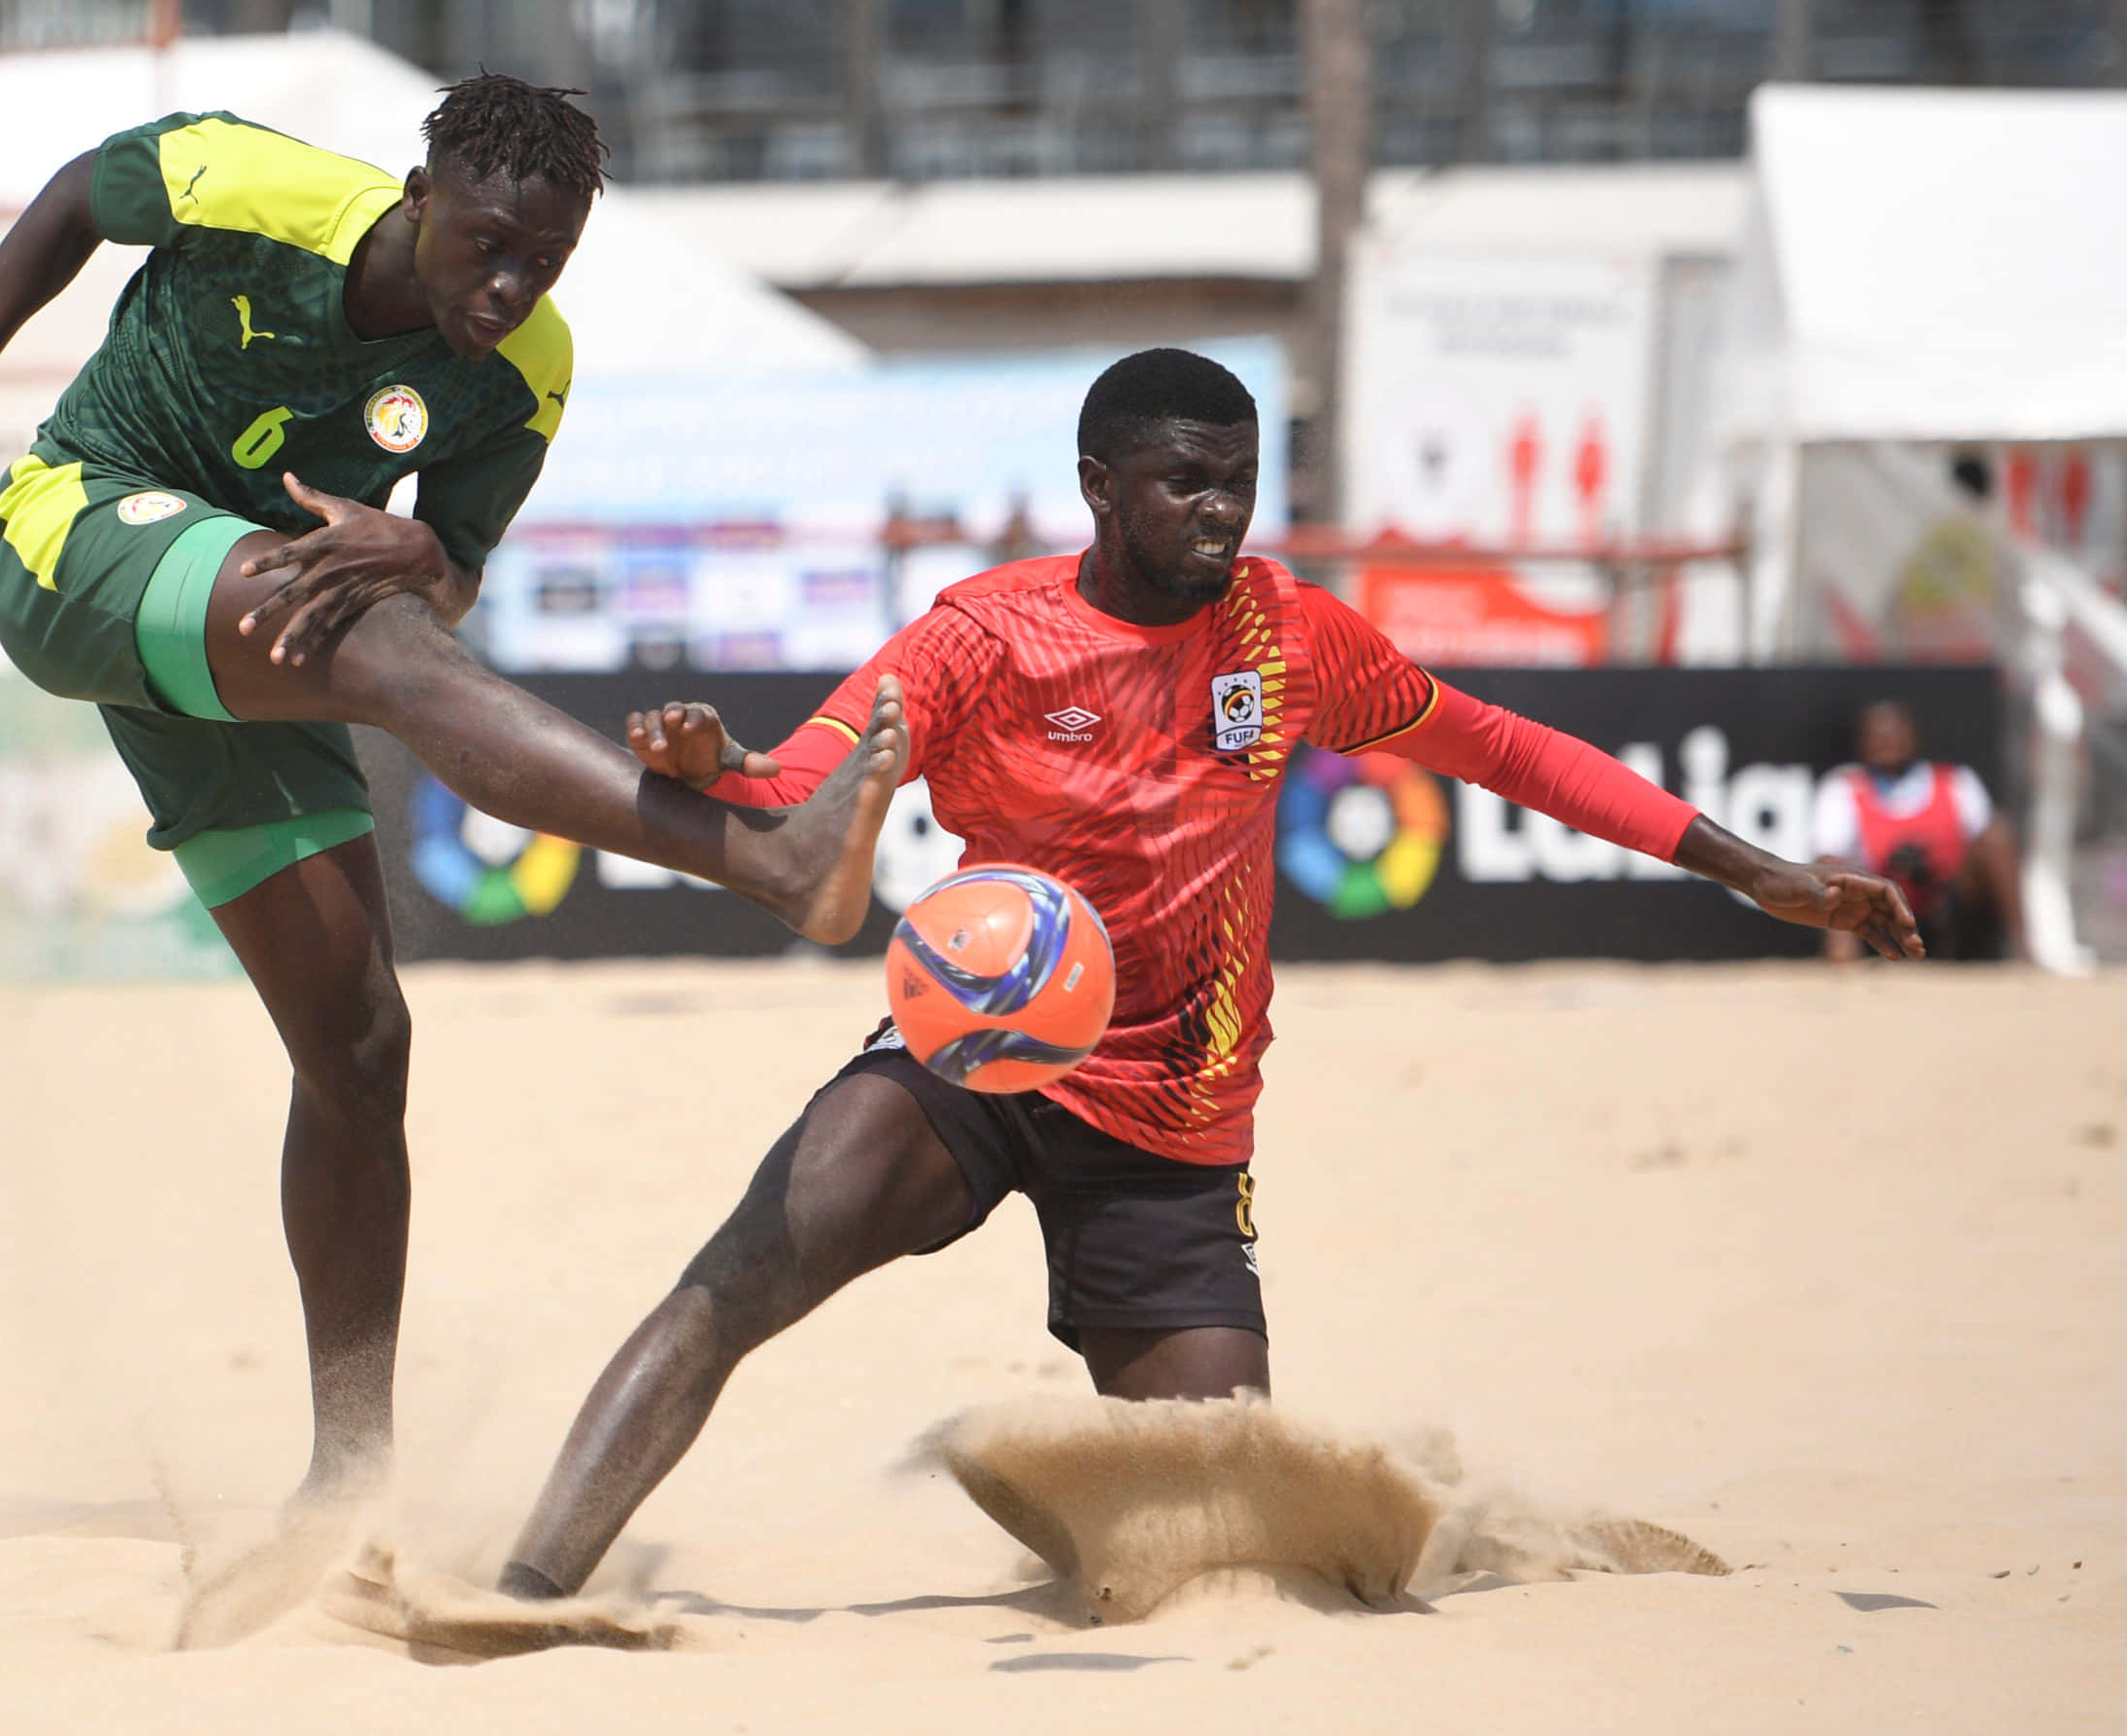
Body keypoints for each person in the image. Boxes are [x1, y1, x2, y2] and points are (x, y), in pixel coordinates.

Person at [495, 348, 1920, 1602]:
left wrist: (1752, 868)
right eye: (1187, 482)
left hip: (1174, 1124)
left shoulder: (1289, 636)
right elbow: (811, 770)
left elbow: (1506, 749)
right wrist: (718, 765)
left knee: (1245, 1543)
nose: (1220, 511)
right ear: (1099, 485)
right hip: (976, 1055)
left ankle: (1081, 1492)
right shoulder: (985, 636)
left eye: (1239, 482)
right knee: (738, 1274)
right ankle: (522, 1584)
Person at [0, 76, 903, 1503]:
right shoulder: (254, 185)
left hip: (256, 617)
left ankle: (346, 1482)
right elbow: (70, 201)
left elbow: (455, 569)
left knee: (360, 1053)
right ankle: (767, 858)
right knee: (382, 650)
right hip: (79, 532)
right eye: (486, 243)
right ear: (419, 198)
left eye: (542, 260)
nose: (508, 283)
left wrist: (430, 561)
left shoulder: (526, 366)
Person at [1812, 698, 2024, 961]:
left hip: (1947, 902)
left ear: (1913, 736)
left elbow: (1984, 845)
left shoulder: (1957, 782)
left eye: (1894, 734)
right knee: (1832, 867)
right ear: (1862, 742)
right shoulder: (1842, 789)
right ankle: (1843, 961)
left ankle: (2024, 949)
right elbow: (1828, 857)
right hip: (1879, 907)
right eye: (1878, 736)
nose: (1887, 743)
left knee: (1997, 836)